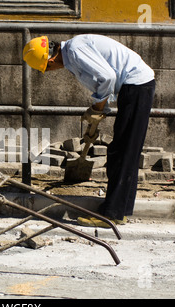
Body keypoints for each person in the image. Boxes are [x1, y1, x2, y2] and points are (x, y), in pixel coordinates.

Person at [23, 34, 156, 228]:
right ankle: (121, 209)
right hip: (134, 87)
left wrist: (98, 108)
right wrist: (97, 109)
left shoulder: (76, 51)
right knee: (124, 151)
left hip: (136, 86)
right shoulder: (73, 52)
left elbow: (108, 77)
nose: (51, 71)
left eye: (47, 69)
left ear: (50, 60)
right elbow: (106, 81)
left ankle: (112, 214)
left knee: (123, 152)